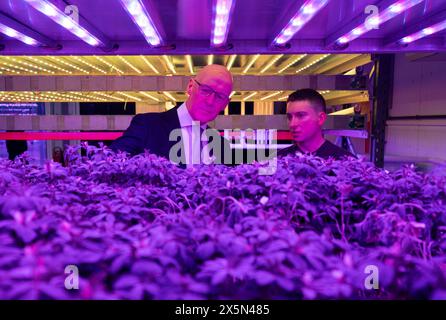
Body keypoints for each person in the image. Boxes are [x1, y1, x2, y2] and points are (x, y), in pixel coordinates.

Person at [110, 64, 233, 168]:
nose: (210, 101)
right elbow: (108, 164)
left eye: (220, 97)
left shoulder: (220, 145)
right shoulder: (147, 126)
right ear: (190, 87)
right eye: (206, 90)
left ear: (225, 104)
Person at [277, 88, 354, 160]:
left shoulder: (345, 162)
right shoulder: (278, 161)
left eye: (301, 115)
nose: (292, 124)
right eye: (289, 117)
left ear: (320, 118)